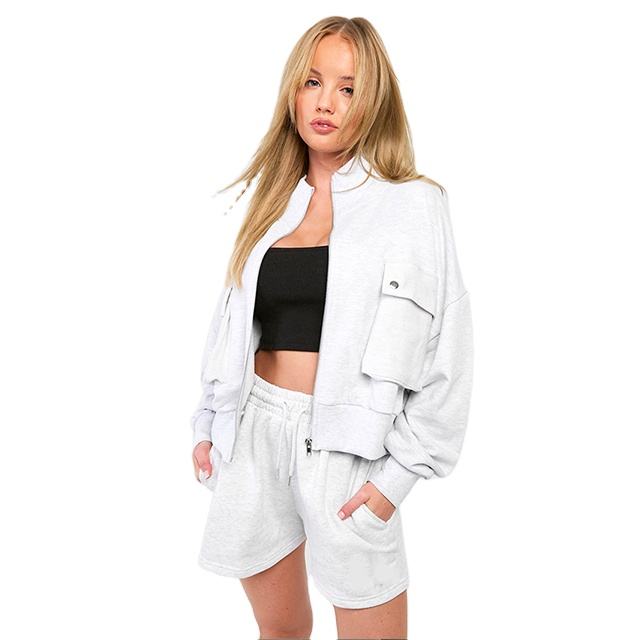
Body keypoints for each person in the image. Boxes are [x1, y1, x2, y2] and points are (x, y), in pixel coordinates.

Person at [189, 16, 474, 640]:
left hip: (351, 451)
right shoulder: (272, 203)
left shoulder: (414, 204)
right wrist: (210, 421)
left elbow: (447, 354)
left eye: (348, 88)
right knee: (281, 632)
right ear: (293, 92)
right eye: (313, 82)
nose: (326, 103)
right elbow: (232, 323)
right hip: (256, 436)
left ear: (373, 101)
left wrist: (394, 481)